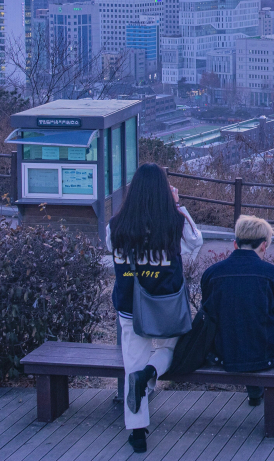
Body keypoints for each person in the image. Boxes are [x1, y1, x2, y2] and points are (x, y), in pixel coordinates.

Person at [105, 163, 204, 454]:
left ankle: (137, 433)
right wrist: (177, 205)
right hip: (166, 308)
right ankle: (150, 373)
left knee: (131, 362)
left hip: (129, 308)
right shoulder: (175, 224)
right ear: (164, 191)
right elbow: (196, 243)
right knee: (171, 349)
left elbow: (110, 246)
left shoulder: (116, 227)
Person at [199, 216, 274, 407]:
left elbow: (208, 313)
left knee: (234, 318)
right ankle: (256, 392)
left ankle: (254, 392)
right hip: (266, 356)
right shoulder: (271, 273)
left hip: (223, 354)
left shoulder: (212, 273)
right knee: (268, 322)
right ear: (263, 245)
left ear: (235, 244)